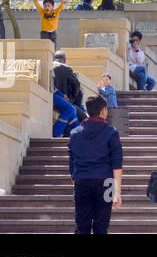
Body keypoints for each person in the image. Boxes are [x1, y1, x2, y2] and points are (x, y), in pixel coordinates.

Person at [67, 95, 122, 233]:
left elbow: (72, 163)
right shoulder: (111, 132)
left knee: (82, 225)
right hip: (106, 182)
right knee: (102, 226)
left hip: (81, 181)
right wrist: (117, 191)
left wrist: (76, 184)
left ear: (87, 110)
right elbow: (117, 163)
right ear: (103, 110)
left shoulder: (74, 133)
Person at [52, 50, 86, 126]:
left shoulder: (49, 66)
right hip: (63, 98)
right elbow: (76, 84)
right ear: (64, 60)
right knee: (81, 116)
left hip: (51, 96)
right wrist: (73, 97)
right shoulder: (65, 68)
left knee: (72, 115)